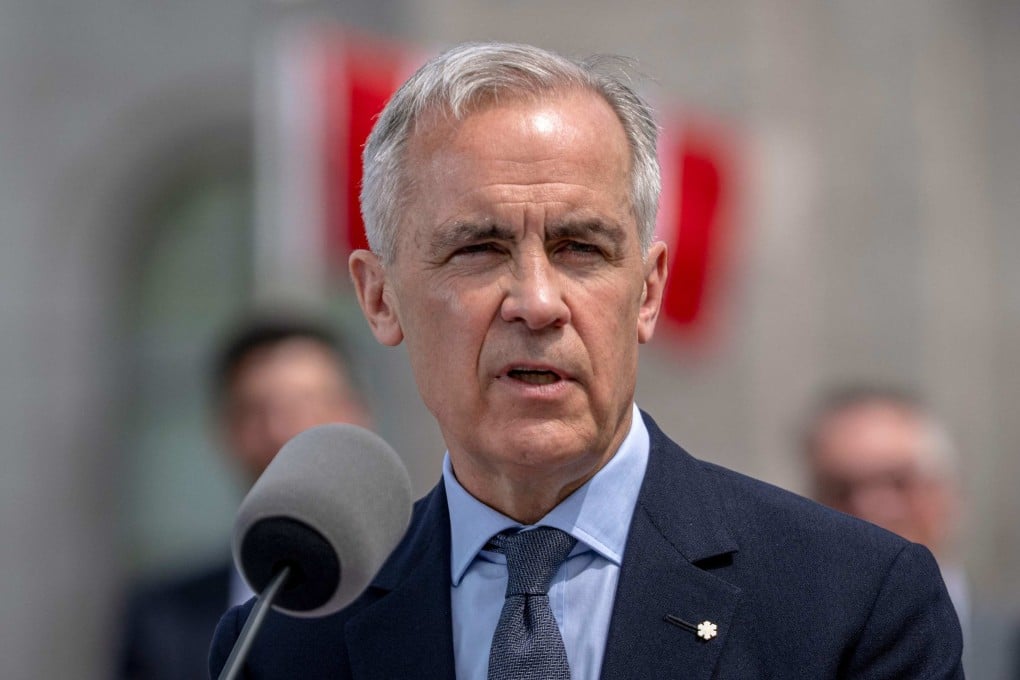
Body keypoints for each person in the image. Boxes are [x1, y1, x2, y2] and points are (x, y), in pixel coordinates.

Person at [210, 42, 963, 678]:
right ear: (380, 299)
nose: (537, 302)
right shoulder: (281, 643)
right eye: (479, 248)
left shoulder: (854, 601)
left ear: (648, 291)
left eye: (580, 249)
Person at [118, 314, 370, 680]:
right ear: (225, 431)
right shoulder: (163, 620)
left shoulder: (429, 590)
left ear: (357, 415)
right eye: (256, 411)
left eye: (307, 405)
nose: (282, 431)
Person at [802, 385, 1018, 679]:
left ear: (951, 491)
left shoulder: (1009, 648)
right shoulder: (785, 651)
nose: (874, 507)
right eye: (842, 489)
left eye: (900, 481)